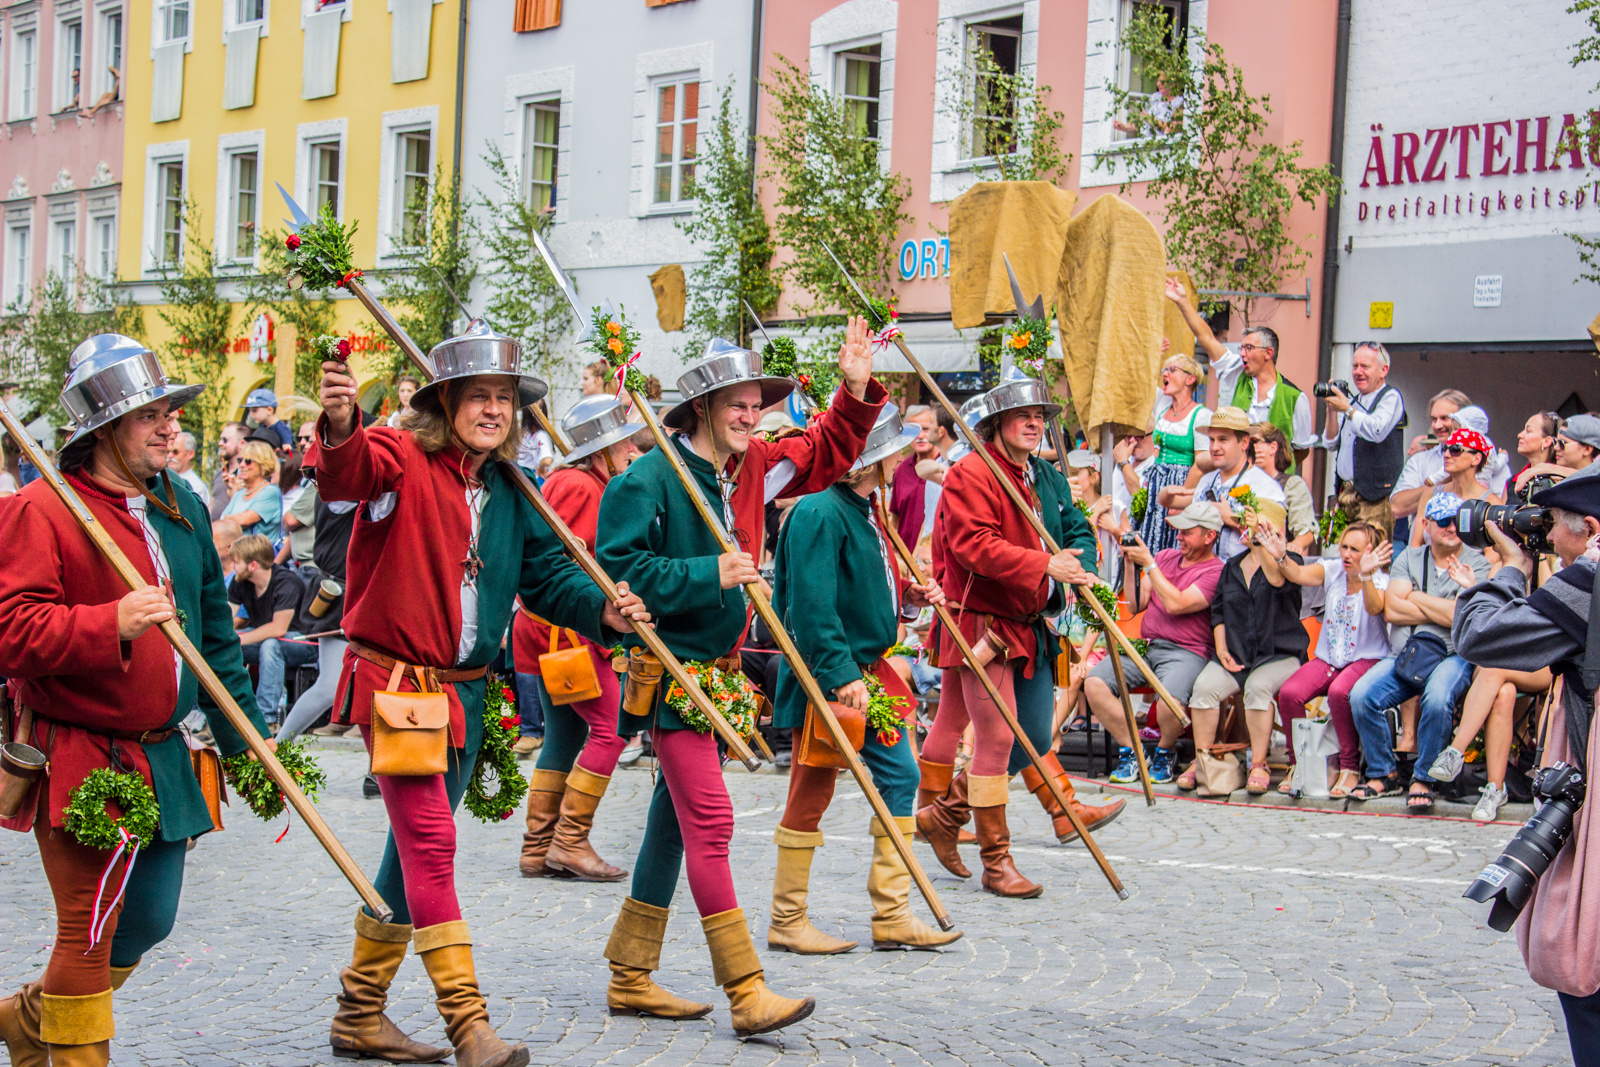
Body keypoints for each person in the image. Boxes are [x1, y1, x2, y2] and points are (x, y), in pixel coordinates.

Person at [310, 319, 652, 1066]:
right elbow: (347, 471)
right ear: (447, 400)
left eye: (506, 398)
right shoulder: (399, 458)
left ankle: (359, 1009)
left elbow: (548, 579)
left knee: (409, 855)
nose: (495, 410)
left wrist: (602, 608)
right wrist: (340, 423)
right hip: (397, 687)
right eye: (480, 396)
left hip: (467, 695)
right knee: (431, 843)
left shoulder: (510, 486)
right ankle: (469, 1025)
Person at [595, 325, 886, 1034]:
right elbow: (616, 570)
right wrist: (709, 573)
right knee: (713, 820)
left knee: (671, 826)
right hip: (669, 675)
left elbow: (824, 451)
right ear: (700, 405)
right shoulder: (650, 475)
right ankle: (747, 989)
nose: (750, 415)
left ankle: (630, 973)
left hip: (720, 674)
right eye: (737, 403)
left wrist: (852, 389)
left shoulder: (752, 466)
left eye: (756, 404)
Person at [0, 335, 273, 1067]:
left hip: (161, 750)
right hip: (77, 749)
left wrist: (247, 739)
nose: (170, 427)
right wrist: (106, 623)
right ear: (100, 430)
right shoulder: (42, 510)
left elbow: (215, 633)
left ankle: (31, 1019)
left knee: (148, 918)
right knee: (86, 930)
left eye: (171, 412)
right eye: (147, 414)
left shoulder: (181, 502)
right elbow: (11, 631)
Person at [917, 373, 1122, 899]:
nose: (1034, 424)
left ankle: (945, 813)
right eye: (1022, 416)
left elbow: (1075, 527)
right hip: (980, 622)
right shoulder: (970, 474)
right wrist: (1045, 563)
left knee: (1031, 735)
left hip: (1029, 623)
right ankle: (996, 862)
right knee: (998, 736)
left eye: (1040, 417)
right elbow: (972, 546)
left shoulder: (1046, 478)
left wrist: (1082, 565)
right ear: (997, 423)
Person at [767, 406, 961, 953]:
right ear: (869, 459)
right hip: (831, 676)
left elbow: (859, 589)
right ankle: (788, 919)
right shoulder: (818, 513)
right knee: (812, 790)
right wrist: (838, 675)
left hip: (868, 672)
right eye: (892, 449)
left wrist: (905, 599)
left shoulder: (864, 510)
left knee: (901, 776)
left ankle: (892, 913)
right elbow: (811, 606)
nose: (902, 456)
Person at [1451, 470, 1600, 1063]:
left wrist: (1510, 567)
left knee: (1581, 952)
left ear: (1591, 529)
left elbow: (1481, 638)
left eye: (1555, 533)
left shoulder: (1591, 581)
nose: (1549, 543)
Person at [515, 395, 643, 882]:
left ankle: (537, 847)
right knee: (612, 729)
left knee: (566, 734)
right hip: (565, 632)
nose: (630, 449)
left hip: (560, 630)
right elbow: (553, 561)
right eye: (621, 442)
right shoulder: (579, 483)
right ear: (599, 451)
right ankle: (568, 841)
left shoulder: (588, 480)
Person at [1347, 492, 1489, 809]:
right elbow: (1391, 611)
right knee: (1362, 695)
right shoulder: (1409, 558)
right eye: (1442, 521)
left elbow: (1463, 616)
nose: (1451, 527)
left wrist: (1417, 597)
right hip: (1408, 654)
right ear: (1426, 524)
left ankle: (1424, 777)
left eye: (1456, 521)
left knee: (1437, 699)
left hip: (1453, 654)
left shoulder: (1477, 561)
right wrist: (1445, 608)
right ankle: (1384, 774)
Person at [1088, 503, 1226, 783]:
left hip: (1187, 652)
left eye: (1187, 532)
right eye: (1179, 530)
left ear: (1210, 536)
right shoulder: (1165, 557)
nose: (1179, 537)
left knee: (1169, 703)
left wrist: (1149, 564)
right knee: (1094, 683)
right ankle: (1134, 750)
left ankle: (1165, 751)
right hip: (1148, 646)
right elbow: (1137, 603)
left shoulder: (1216, 571)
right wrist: (1130, 564)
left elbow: (1177, 604)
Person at [1184, 501, 1308, 794]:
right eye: (1248, 524)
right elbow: (1219, 613)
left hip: (1281, 654)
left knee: (1257, 687)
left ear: (1275, 531)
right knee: (1203, 689)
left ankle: (1259, 763)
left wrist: (1264, 545)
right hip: (1238, 654)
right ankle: (1203, 763)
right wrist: (1221, 648)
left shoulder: (1291, 562)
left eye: (1257, 525)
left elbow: (1277, 581)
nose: (1247, 529)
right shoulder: (1232, 566)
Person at [1260, 522, 1391, 798]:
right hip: (1330, 658)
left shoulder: (1380, 581)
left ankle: (1349, 768)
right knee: (1290, 693)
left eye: (1354, 549)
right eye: (1344, 547)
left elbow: (1375, 607)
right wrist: (1280, 555)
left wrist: (1365, 576)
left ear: (1369, 551)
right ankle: (1298, 764)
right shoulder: (1334, 570)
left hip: (1367, 658)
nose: (1346, 554)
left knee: (1339, 692)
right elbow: (1297, 574)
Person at [1167, 284, 1313, 472]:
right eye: (1241, 348)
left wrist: (1277, 468)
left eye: (1249, 348)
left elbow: (1301, 450)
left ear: (1268, 353)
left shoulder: (1296, 398)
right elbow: (1208, 339)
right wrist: (1183, 301)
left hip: (1274, 481)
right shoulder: (1237, 373)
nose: (1242, 353)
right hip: (1237, 474)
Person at [1164, 406, 1285, 561]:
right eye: (1212, 440)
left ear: (1244, 443)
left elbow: (1275, 544)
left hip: (1243, 581)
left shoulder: (1266, 487)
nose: (1214, 447)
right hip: (1202, 576)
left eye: (1223, 440)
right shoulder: (1206, 481)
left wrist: (1231, 518)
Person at [1320, 341, 1407, 536]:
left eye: (1365, 367)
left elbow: (1376, 431)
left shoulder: (1390, 397)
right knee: (1346, 555)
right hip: (1346, 492)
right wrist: (1331, 410)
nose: (1358, 372)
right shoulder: (1353, 400)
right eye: (1355, 366)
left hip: (1375, 496)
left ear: (1383, 370)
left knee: (1372, 554)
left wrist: (1347, 410)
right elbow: (1331, 443)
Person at [227, 534, 312, 727]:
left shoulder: (286, 582)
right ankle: (226, 712)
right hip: (264, 639)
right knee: (221, 645)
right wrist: (223, 639)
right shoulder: (241, 581)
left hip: (302, 641)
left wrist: (236, 640)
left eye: (236, 562)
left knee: (270, 645)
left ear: (253, 565)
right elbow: (225, 620)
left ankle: (266, 719)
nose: (233, 566)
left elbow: (278, 628)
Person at [1139, 351, 1211, 552]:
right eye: (1164, 370)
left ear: (1190, 378)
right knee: (1153, 538)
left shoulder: (1201, 415)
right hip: (1157, 484)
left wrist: (1179, 502)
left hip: (1181, 484)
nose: (1166, 374)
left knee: (1174, 541)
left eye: (1172, 370)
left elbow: (1200, 464)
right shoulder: (1163, 407)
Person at [1410, 428, 1503, 546]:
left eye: (1455, 450)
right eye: (1445, 449)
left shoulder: (1490, 502)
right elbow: (1415, 547)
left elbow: (1493, 558)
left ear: (1476, 458)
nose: (1446, 455)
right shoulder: (1430, 495)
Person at [1250, 423, 1315, 554]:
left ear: (1273, 447)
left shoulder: (1291, 485)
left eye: (1255, 441)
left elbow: (1306, 530)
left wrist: (1296, 545)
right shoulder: (1239, 482)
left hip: (1272, 561)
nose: (1249, 447)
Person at [1515, 413, 1600, 493]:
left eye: (1562, 443)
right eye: (1556, 442)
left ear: (1587, 449)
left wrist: (1549, 469)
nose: (1556, 448)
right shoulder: (1554, 479)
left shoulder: (1594, 488)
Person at [888, 405, 936, 545]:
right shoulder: (901, 470)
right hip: (904, 558)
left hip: (931, 559)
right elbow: (895, 518)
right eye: (915, 431)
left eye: (925, 429)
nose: (920, 436)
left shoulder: (945, 468)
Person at [219, 441, 282, 542]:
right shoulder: (239, 494)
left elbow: (244, 520)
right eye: (240, 460)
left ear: (263, 464)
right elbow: (223, 522)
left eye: (248, 461)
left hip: (259, 555)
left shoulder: (270, 491)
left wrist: (226, 519)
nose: (242, 465)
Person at [208, 421, 247, 520]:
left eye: (225, 440)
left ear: (242, 443)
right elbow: (213, 503)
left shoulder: (246, 475)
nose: (220, 443)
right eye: (220, 439)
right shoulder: (220, 473)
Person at [244, 387, 293, 453]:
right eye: (250, 411)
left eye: (254, 411)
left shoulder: (282, 429)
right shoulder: (263, 427)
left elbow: (288, 451)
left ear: (269, 410)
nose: (252, 414)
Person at [166, 431, 209, 498]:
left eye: (176, 452)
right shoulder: (161, 477)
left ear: (190, 454)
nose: (170, 456)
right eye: (168, 451)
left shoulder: (196, 486)